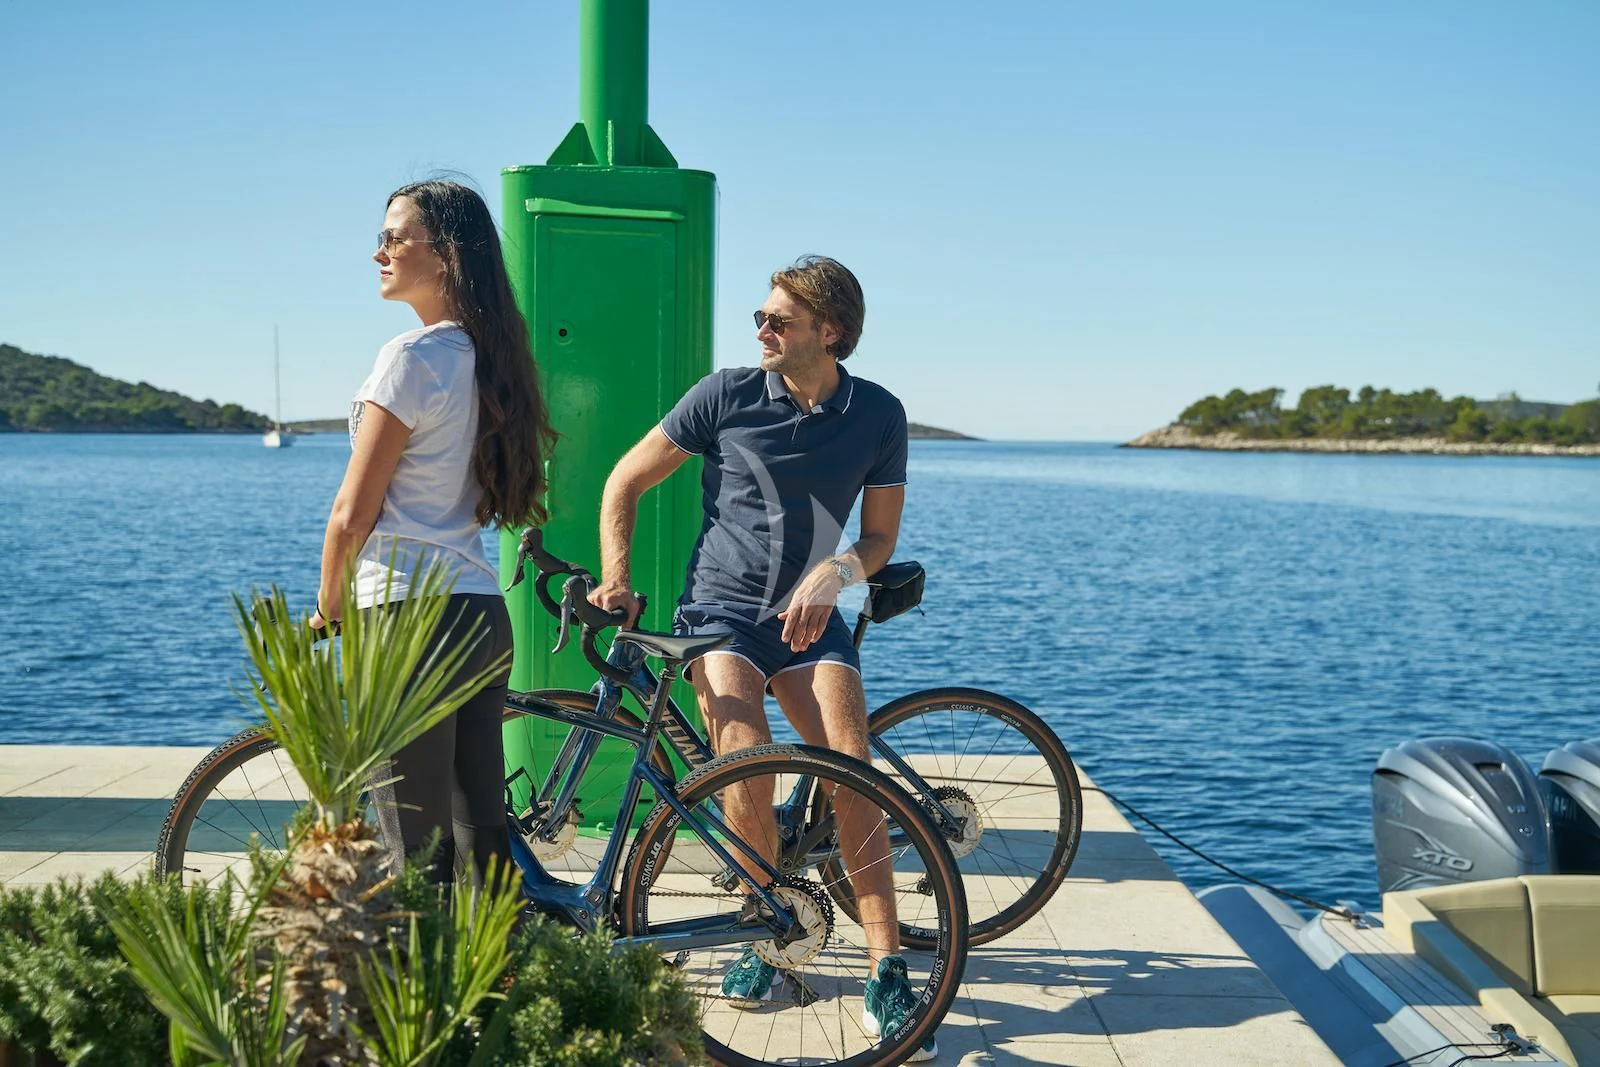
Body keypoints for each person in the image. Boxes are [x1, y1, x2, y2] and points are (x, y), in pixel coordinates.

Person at [590, 255, 935, 1060]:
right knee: (744, 753)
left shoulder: (879, 413)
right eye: (761, 316)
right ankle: (768, 929)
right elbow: (623, 482)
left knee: (850, 759)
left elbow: (880, 537)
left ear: (831, 331)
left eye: (779, 319)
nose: (762, 329)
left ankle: (887, 965)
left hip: (816, 614)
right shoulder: (726, 394)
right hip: (720, 613)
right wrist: (616, 578)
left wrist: (838, 570)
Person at [308, 179, 556, 887]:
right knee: (481, 842)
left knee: (408, 853)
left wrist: (328, 604)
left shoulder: (411, 359)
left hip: (408, 613)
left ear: (445, 253)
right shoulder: (492, 361)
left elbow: (352, 514)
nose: (379, 251)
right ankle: (496, 988)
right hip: (478, 611)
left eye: (394, 236)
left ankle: (408, 997)